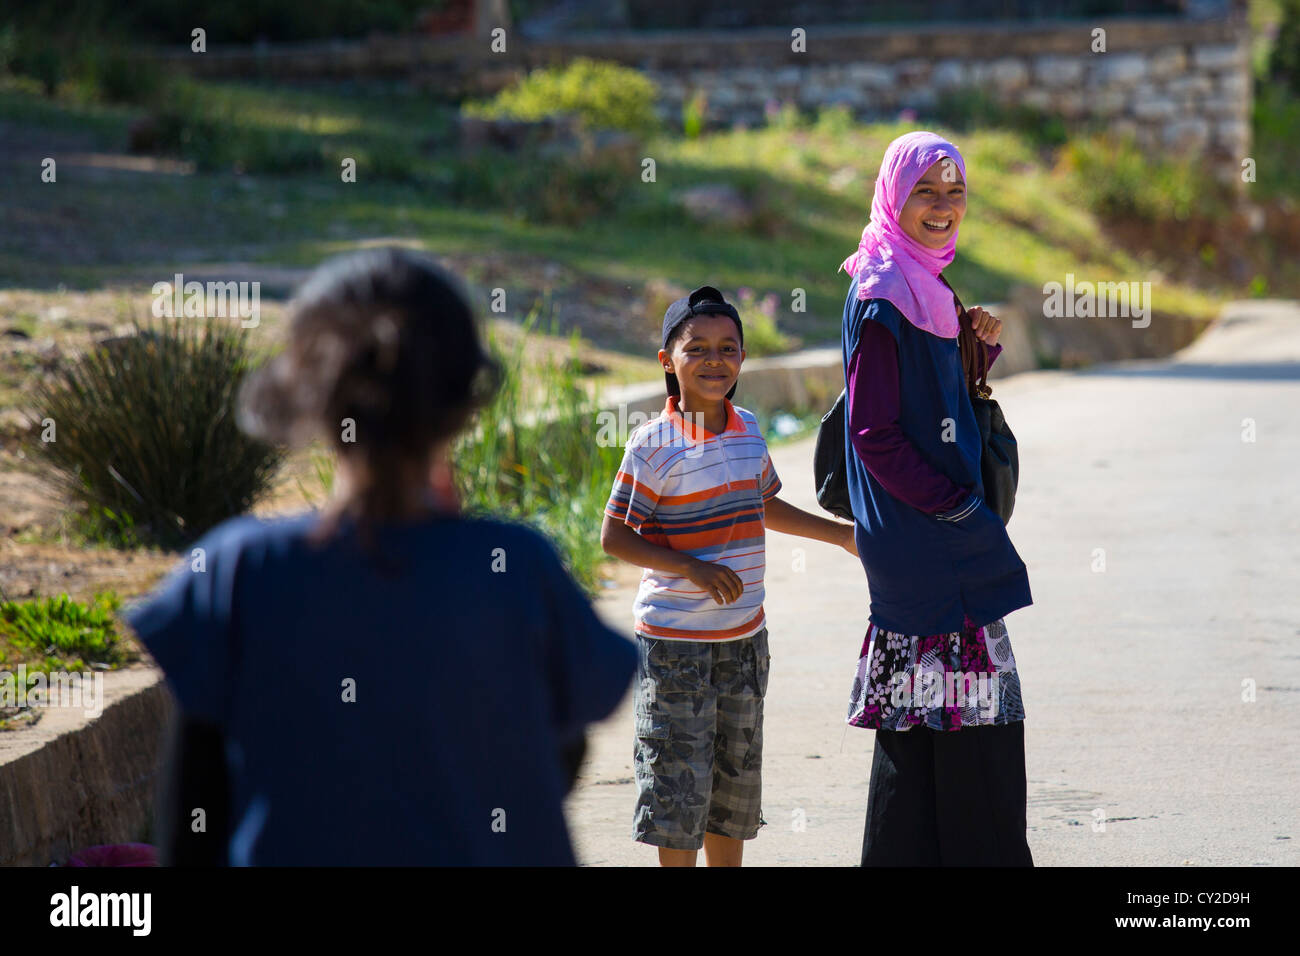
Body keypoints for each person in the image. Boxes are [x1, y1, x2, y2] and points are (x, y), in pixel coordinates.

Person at [124, 247, 636, 866]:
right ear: (465, 401)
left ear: (306, 395)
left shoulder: (236, 572)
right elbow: (559, 755)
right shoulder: (517, 569)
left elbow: (190, 822)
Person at [601, 285, 857, 867]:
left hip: (745, 641)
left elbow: (762, 503)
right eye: (698, 349)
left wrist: (841, 536)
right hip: (675, 646)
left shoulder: (747, 427)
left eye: (728, 347)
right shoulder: (652, 445)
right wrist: (692, 566)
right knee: (677, 785)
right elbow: (615, 536)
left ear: (743, 358)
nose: (715, 360)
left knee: (732, 785)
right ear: (668, 362)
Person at [839, 131, 1035, 866]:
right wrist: (955, 508)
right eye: (926, 191)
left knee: (920, 731)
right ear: (896, 196)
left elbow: (931, 398)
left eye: (955, 193)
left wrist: (974, 343)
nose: (944, 207)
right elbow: (874, 433)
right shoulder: (884, 293)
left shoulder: (914, 280)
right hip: (932, 541)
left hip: (924, 541)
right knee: (978, 729)